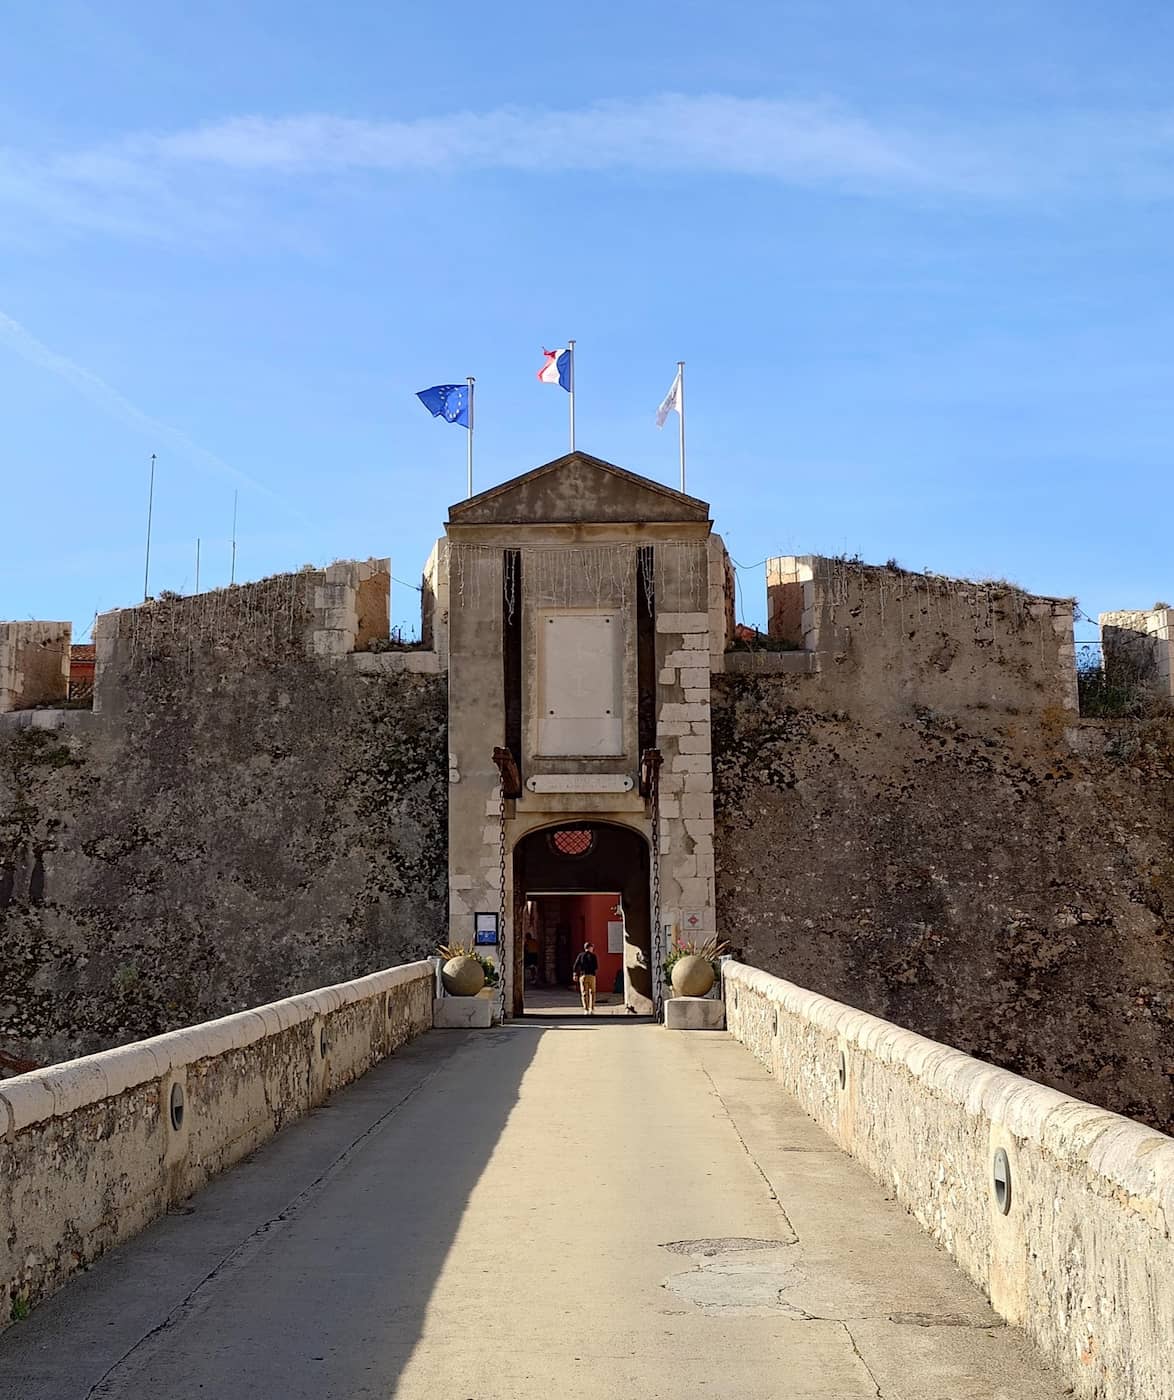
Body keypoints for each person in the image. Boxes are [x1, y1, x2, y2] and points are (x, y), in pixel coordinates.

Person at [572, 941, 599, 1015]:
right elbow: (596, 967)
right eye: (592, 947)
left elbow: (576, 965)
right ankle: (592, 1008)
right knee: (592, 992)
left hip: (583, 975)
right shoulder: (593, 956)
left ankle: (586, 1009)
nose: (593, 949)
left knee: (584, 993)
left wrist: (575, 974)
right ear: (590, 948)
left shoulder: (581, 955)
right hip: (592, 976)